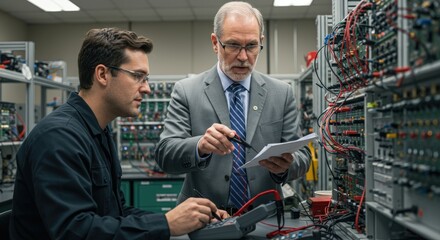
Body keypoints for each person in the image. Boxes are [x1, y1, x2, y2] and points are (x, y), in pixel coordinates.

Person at [9, 27, 227, 240]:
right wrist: (166, 224)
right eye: (138, 76)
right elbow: (76, 231)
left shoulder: (99, 132)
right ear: (102, 74)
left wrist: (183, 219)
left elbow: (116, 213)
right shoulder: (58, 138)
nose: (147, 88)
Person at [155, 1, 311, 214]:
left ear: (261, 42)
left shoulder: (281, 93)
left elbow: (302, 156)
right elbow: (165, 155)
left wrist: (284, 168)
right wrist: (199, 146)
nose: (243, 56)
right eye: (234, 45)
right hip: (205, 218)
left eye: (252, 46)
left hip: (265, 216)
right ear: (215, 43)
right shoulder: (186, 91)